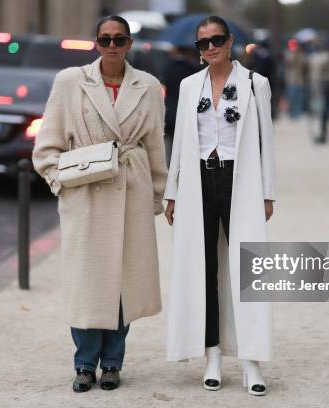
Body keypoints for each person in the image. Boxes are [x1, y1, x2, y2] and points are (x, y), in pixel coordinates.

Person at [31, 15, 167, 393]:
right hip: (86, 194)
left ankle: (112, 363)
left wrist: (158, 193)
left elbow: (155, 145)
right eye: (105, 39)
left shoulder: (148, 86)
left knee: (125, 283)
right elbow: (47, 145)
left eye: (119, 39)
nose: (111, 45)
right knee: (87, 283)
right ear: (95, 42)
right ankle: (84, 364)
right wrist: (61, 182)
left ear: (129, 44)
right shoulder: (71, 81)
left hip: (131, 192)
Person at [163, 15, 275, 396]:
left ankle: (251, 360)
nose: (210, 47)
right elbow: (178, 140)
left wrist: (267, 192)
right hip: (197, 181)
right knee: (203, 268)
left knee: (247, 266)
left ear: (230, 41)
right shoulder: (188, 85)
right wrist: (172, 191)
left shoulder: (255, 84)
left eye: (217, 40)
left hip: (240, 181)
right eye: (203, 43)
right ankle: (211, 353)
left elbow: (266, 143)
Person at [163, 47, 200, 166]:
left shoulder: (168, 67)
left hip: (169, 110)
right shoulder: (192, 69)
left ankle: (169, 166)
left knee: (169, 144)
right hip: (185, 111)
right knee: (182, 144)